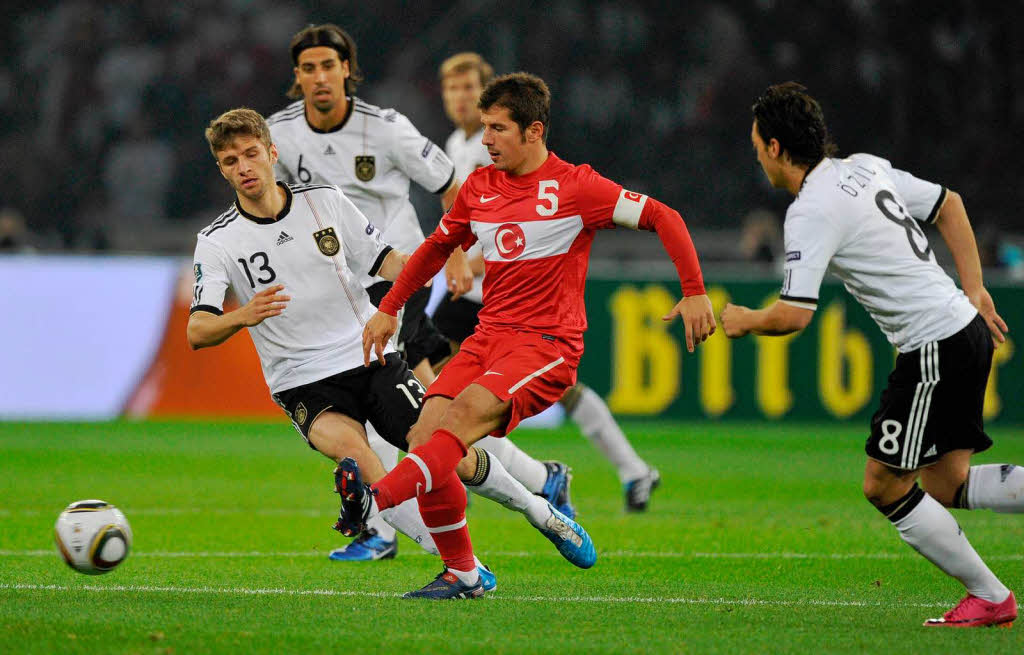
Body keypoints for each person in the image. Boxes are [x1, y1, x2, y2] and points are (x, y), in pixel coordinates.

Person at [187, 108, 587, 596]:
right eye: (231, 161)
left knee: (445, 453)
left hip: (368, 356)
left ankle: (538, 510)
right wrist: (239, 316)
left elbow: (387, 261)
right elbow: (198, 330)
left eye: (251, 154)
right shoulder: (217, 241)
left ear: (272, 153)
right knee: (361, 461)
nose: (244, 167)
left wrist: (443, 254)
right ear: (222, 170)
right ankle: (466, 569)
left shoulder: (326, 203)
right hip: (299, 380)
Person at [344, 73, 715, 599]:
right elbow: (432, 249)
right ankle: (469, 569)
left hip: (546, 346)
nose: (486, 138)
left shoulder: (577, 187)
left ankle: (371, 502)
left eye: (497, 129)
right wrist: (389, 308)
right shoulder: (479, 186)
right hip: (488, 336)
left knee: (464, 418)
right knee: (424, 437)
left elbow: (662, 215)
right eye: (485, 127)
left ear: (534, 130)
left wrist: (695, 290)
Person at [267, 24, 573, 564]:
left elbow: (451, 183)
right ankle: (539, 479)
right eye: (308, 68)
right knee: (433, 410)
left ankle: (385, 529)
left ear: (347, 71)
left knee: (388, 401)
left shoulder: (385, 130)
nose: (319, 77)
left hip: (395, 279)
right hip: (340, 290)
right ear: (297, 77)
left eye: (329, 66)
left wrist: (454, 251)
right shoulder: (279, 136)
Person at [720, 82, 1019, 628]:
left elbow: (794, 314)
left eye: (758, 143)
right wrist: (973, 287)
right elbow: (949, 204)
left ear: (778, 148)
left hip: (934, 345)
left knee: (883, 484)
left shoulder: (809, 209)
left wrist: (743, 320)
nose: (756, 153)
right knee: (946, 484)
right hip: (959, 328)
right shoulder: (865, 167)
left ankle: (992, 596)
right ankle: (991, 597)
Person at [436, 52, 663, 512]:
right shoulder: (456, 145)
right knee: (441, 386)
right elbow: (463, 216)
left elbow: (516, 221)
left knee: (451, 391)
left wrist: (474, 263)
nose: (458, 98)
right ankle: (608, 472)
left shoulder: (494, 143)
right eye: (450, 89)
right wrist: (458, 255)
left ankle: (531, 475)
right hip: (479, 300)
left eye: (467, 88)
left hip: (512, 298)